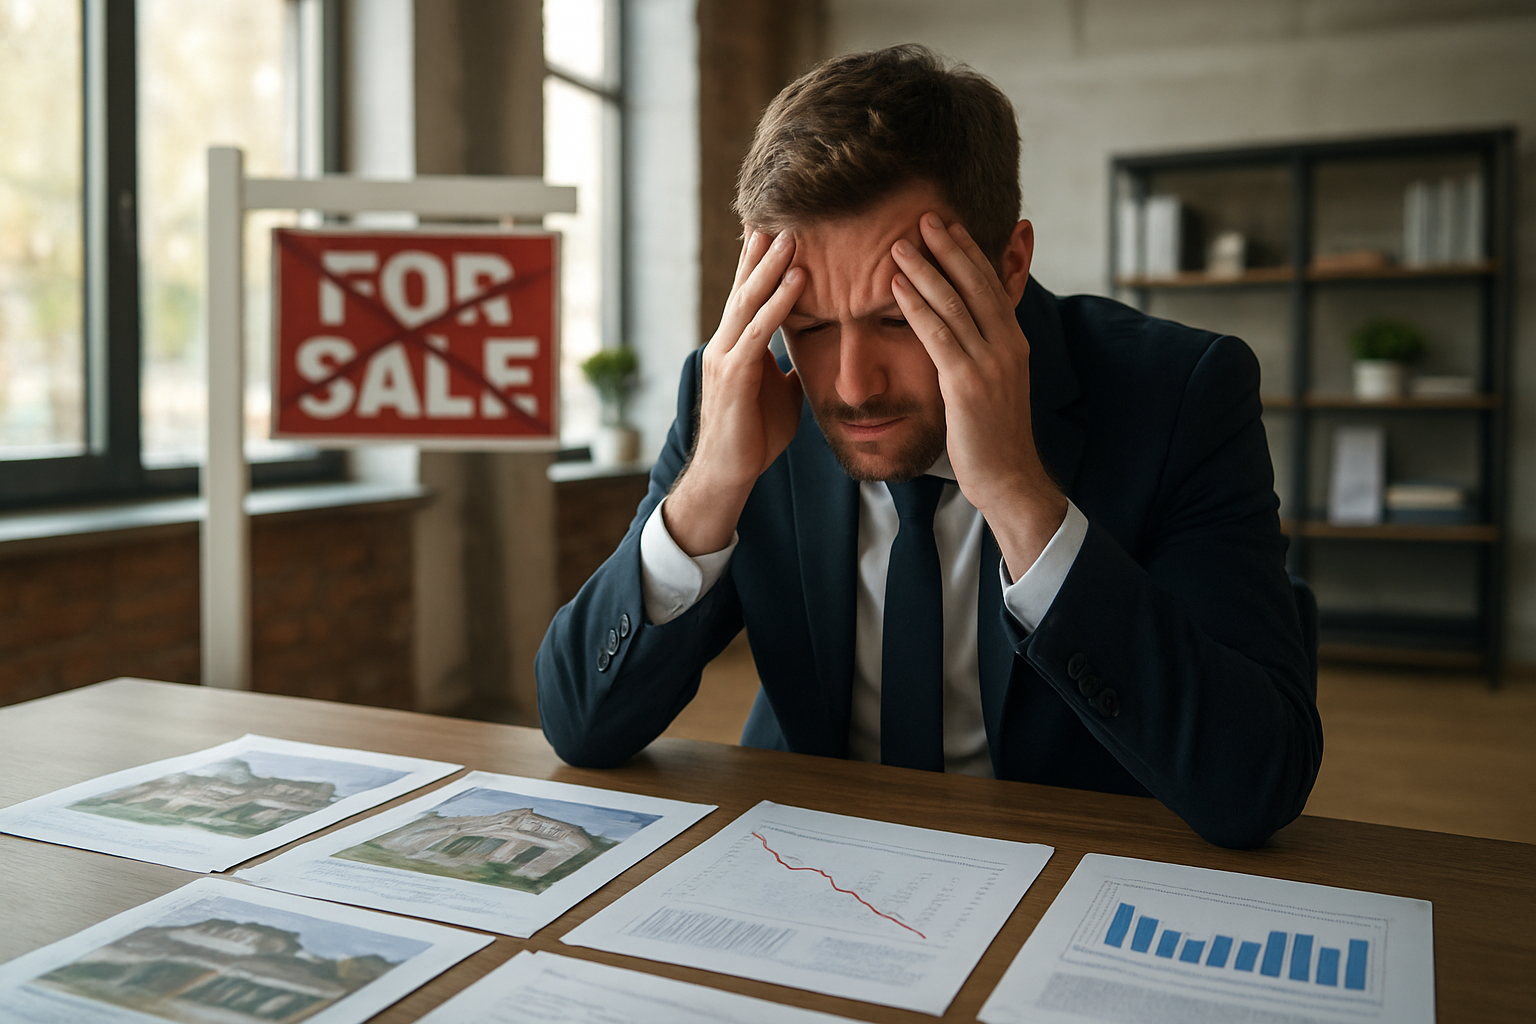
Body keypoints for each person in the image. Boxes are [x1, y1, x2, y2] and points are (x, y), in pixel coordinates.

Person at [536, 44, 1322, 849]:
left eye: (897, 318)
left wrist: (1019, 493)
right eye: (810, 326)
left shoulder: (1180, 393)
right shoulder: (742, 390)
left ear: (1009, 266)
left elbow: (1255, 782)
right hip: (808, 855)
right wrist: (712, 484)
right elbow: (579, 724)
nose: (852, 387)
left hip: (1065, 862)